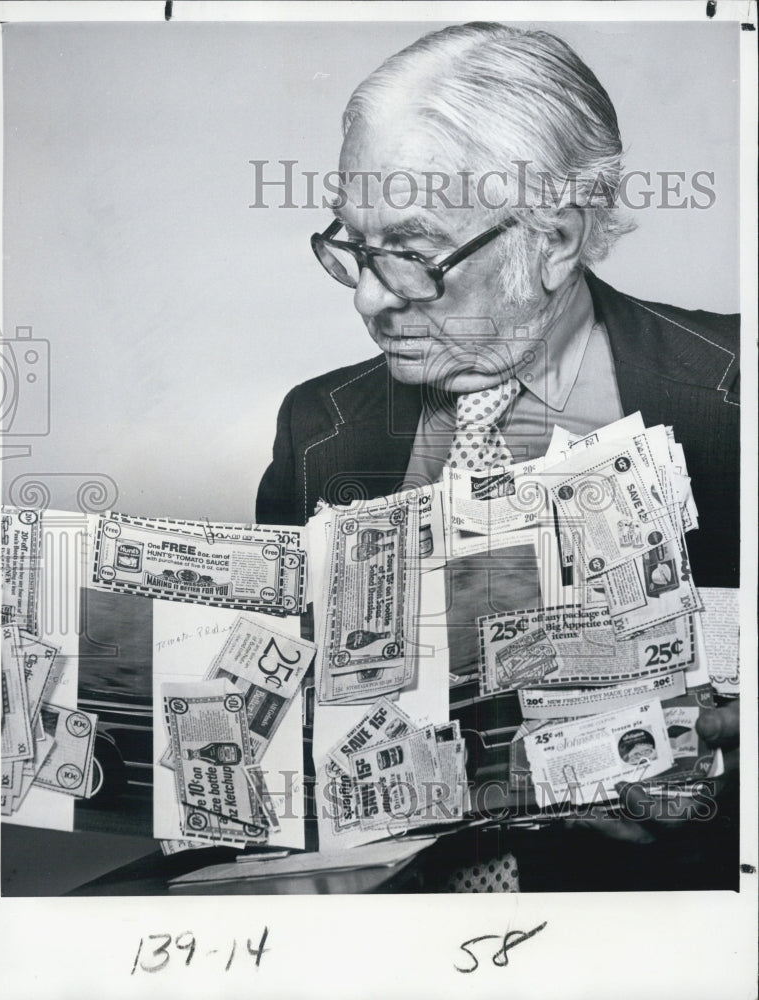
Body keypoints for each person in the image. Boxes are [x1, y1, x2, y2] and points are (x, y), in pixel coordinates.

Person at [256, 22, 740, 891]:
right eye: (352, 246)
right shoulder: (316, 428)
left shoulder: (737, 395)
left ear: (553, 240)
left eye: (410, 255)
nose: (367, 298)